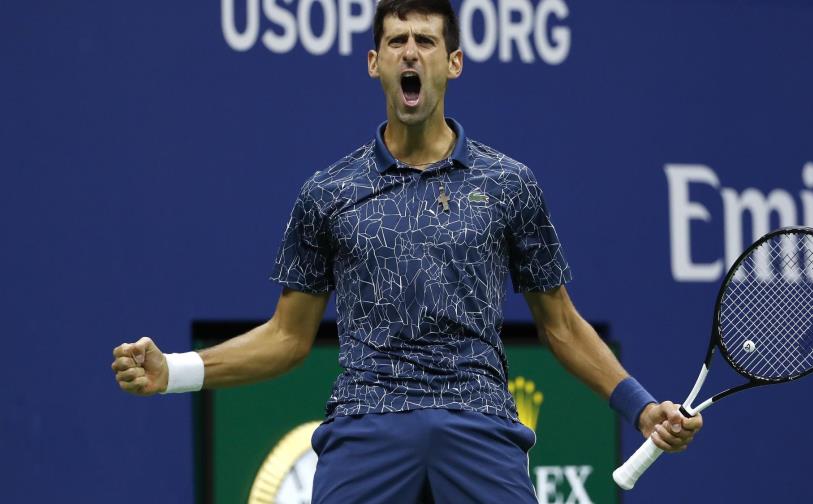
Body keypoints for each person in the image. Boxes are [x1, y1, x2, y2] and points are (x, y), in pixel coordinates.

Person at [110, 0, 702, 501]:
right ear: (375, 63)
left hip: (480, 422)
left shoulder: (509, 184)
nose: (410, 53)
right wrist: (174, 373)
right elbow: (287, 338)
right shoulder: (329, 193)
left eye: (425, 40)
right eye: (396, 41)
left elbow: (562, 325)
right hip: (366, 424)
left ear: (453, 62)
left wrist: (642, 408)